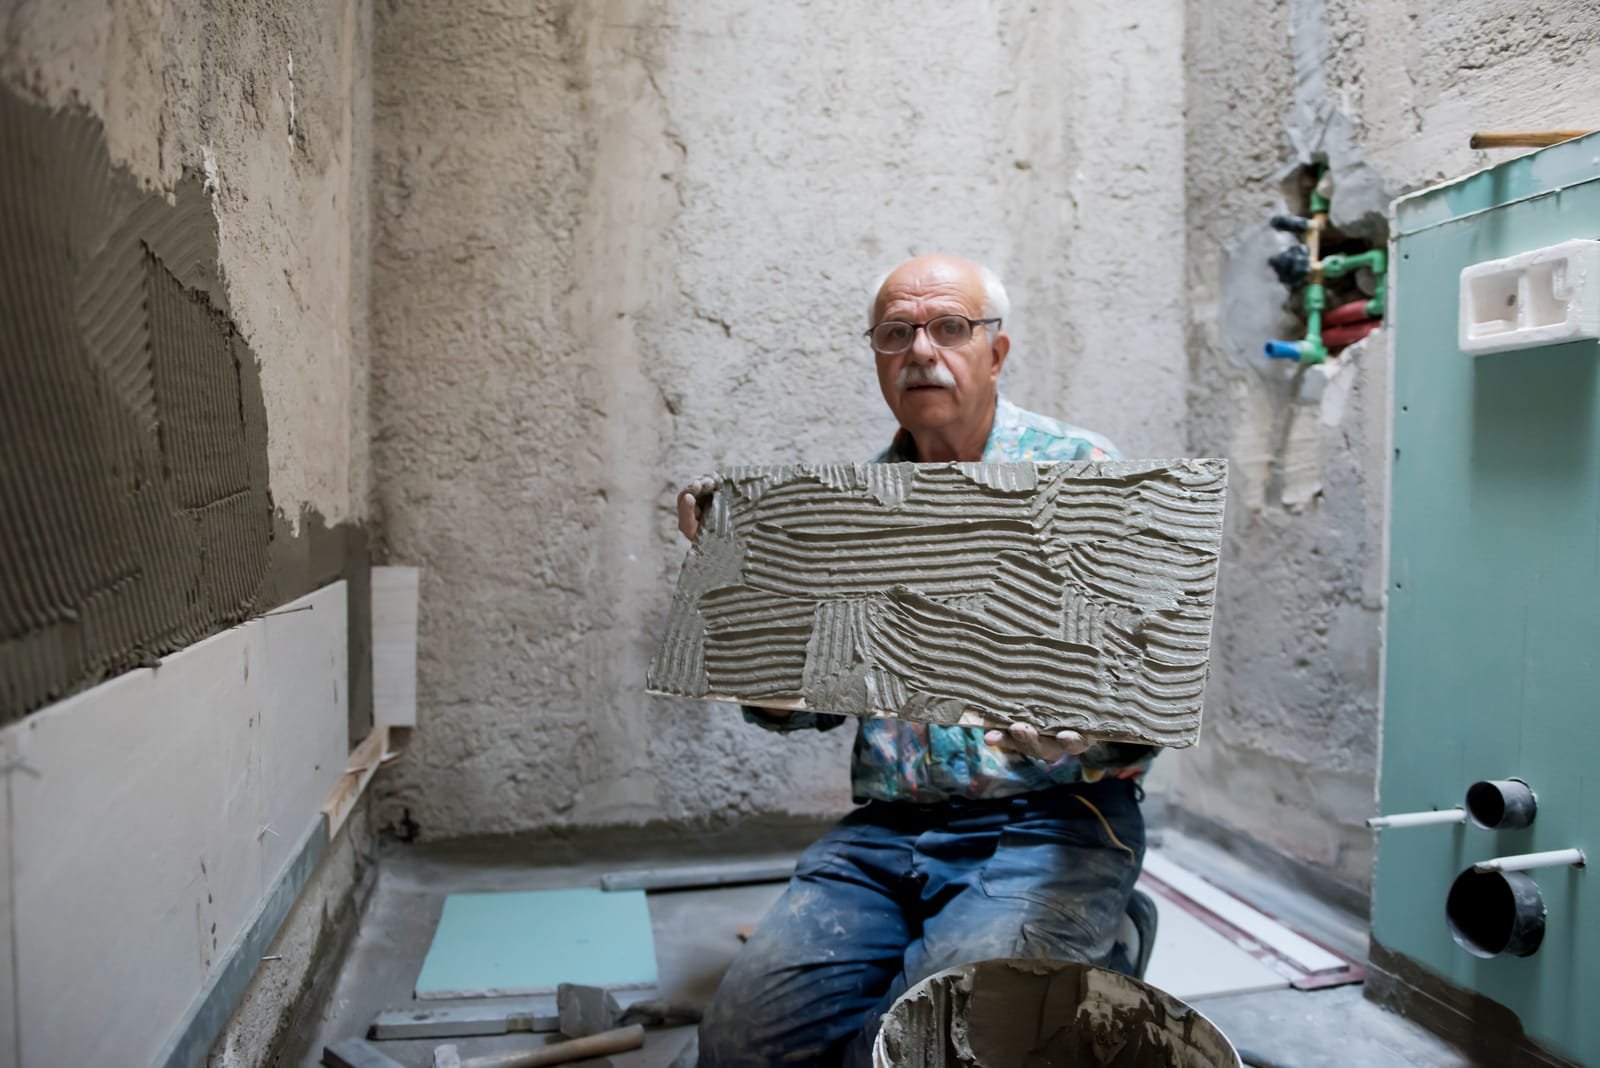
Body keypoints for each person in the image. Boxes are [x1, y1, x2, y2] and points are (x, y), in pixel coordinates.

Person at [683, 255, 1155, 1068]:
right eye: (896, 333)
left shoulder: (1080, 474)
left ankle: (1105, 936)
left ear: (995, 353)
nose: (920, 351)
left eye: (949, 328)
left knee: (943, 1042)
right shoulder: (855, 505)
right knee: (738, 1051)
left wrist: (1082, 730)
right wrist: (746, 596)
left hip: (1049, 824)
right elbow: (799, 707)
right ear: (877, 358)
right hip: (890, 831)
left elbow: (1149, 697)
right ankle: (987, 956)